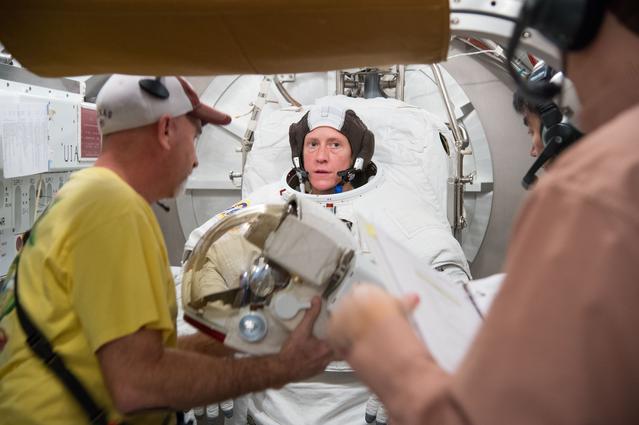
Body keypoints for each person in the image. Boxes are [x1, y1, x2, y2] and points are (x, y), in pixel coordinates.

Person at [327, 1, 639, 424]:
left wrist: (382, 349)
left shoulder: (593, 190)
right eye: (313, 145)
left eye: (334, 145)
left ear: (571, 19)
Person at [0, 75, 333, 425]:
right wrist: (278, 370)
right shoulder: (114, 209)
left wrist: (252, 334)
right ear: (165, 130)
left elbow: (142, 353)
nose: (196, 161)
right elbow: (137, 385)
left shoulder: (85, 193)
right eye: (195, 137)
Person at [184, 103, 471, 425]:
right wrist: (212, 344)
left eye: (335, 145)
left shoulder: (396, 207)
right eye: (312, 144)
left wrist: (413, 364)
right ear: (299, 152)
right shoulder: (267, 202)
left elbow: (451, 290)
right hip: (272, 386)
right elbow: (203, 255)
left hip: (362, 394)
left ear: (357, 155)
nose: (321, 157)